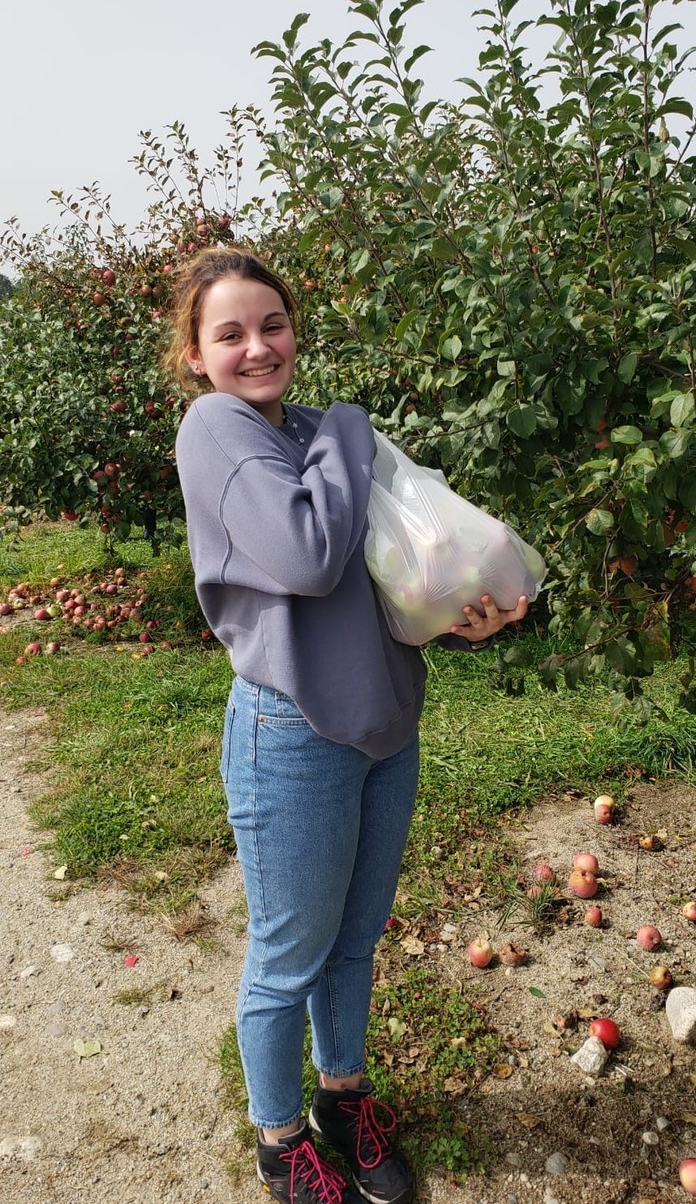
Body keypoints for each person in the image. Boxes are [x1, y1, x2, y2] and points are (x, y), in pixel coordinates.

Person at [165, 246, 529, 1204]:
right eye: (230, 333)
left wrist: (461, 613)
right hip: (291, 734)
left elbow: (384, 588)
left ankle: (341, 1097)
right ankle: (280, 1142)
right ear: (196, 355)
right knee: (289, 953)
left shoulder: (319, 434)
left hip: (384, 725)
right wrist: (354, 428)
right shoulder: (217, 429)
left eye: (272, 324)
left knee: (356, 936)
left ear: (296, 330)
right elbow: (311, 555)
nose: (257, 346)